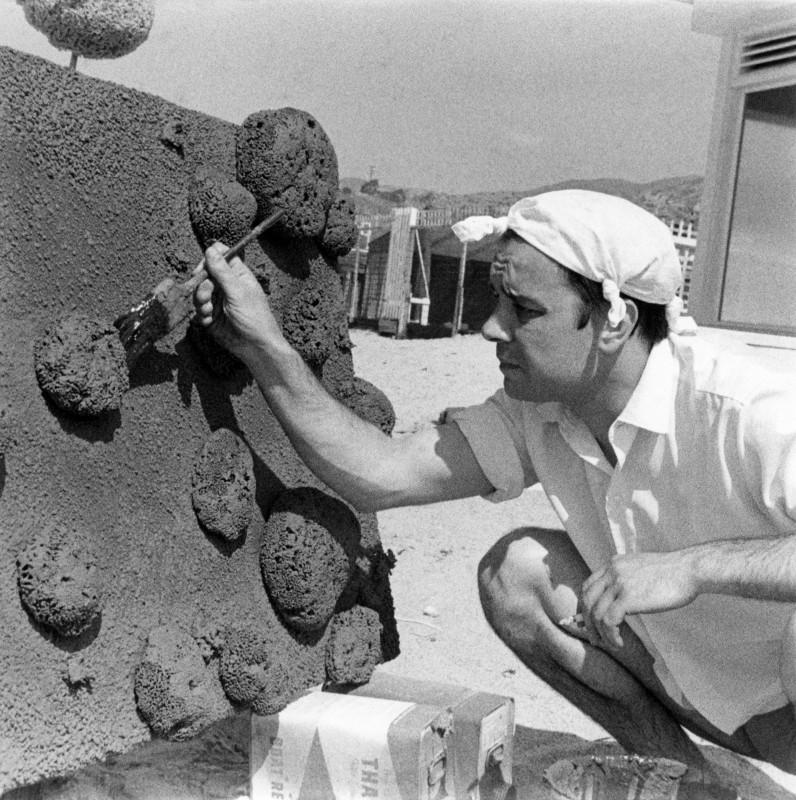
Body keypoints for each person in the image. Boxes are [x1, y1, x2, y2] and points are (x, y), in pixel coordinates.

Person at [193, 190, 796, 790]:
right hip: (708, 693)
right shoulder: (540, 410)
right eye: (496, 301)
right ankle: (691, 785)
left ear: (617, 322)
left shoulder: (748, 412)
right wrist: (262, 346)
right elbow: (378, 473)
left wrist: (693, 568)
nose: (489, 327)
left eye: (524, 311)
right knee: (518, 575)